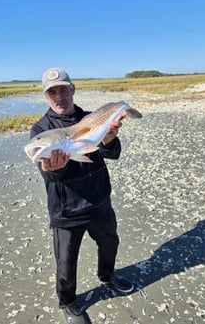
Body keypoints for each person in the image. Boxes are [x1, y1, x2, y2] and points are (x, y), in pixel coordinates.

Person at [30, 67, 134, 324]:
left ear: (72, 90)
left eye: (63, 89)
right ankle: (68, 302)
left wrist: (109, 137)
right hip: (67, 212)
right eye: (52, 92)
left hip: (99, 201)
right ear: (46, 96)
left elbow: (113, 153)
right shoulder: (41, 131)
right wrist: (56, 166)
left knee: (110, 243)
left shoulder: (91, 118)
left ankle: (107, 276)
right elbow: (49, 176)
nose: (59, 96)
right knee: (66, 262)